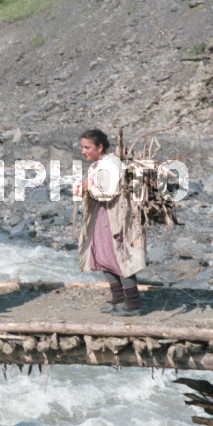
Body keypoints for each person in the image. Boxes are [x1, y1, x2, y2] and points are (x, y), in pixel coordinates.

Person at [74, 129, 146, 316]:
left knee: (121, 258)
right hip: (101, 216)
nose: (83, 151)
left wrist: (88, 187)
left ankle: (134, 304)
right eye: (82, 147)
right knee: (103, 256)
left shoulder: (112, 163)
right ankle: (118, 299)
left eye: (87, 147)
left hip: (114, 216)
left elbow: (109, 191)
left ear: (99, 147)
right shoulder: (98, 165)